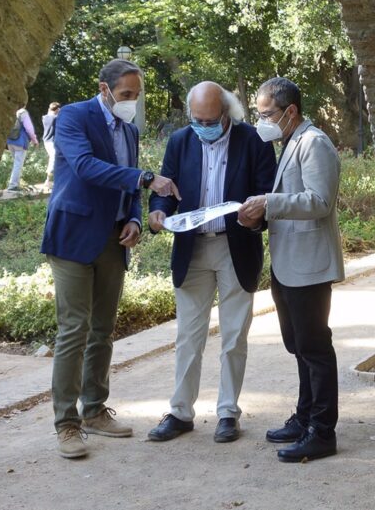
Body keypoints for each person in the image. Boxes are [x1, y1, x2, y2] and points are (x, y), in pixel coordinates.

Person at [40, 58, 181, 459]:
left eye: (136, 96)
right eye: (125, 95)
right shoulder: (73, 117)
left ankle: (95, 410)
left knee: (103, 330)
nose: (131, 102)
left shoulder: (130, 129)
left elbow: (127, 179)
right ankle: (66, 424)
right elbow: (84, 167)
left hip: (114, 238)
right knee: (74, 330)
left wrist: (134, 218)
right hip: (72, 236)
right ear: (104, 88)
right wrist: (145, 178)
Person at [146, 82, 277, 444]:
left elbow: (268, 193)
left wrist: (256, 217)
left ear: (226, 114)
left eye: (210, 119)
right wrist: (158, 214)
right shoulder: (180, 141)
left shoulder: (254, 140)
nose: (203, 125)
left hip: (235, 246)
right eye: (197, 118)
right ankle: (180, 412)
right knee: (188, 335)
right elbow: (165, 193)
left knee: (233, 336)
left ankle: (227, 413)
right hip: (192, 250)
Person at [238, 77, 345, 462]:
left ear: (291, 112)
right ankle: (304, 418)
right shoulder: (291, 141)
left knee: (315, 348)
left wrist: (269, 202)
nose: (261, 121)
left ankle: (322, 431)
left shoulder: (313, 143)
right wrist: (259, 216)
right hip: (289, 264)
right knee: (299, 347)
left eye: (267, 114)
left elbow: (319, 201)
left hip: (309, 266)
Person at [6, 105, 38, 191]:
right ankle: (13, 185)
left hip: (10, 141)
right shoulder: (23, 112)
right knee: (18, 164)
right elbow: (29, 128)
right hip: (20, 141)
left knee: (16, 163)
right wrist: (34, 140)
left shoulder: (9, 110)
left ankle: (13, 184)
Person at [42, 102, 61, 190]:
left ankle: (51, 181)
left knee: (54, 159)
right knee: (53, 159)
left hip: (46, 141)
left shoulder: (45, 117)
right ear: (57, 109)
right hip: (52, 142)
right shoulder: (55, 118)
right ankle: (48, 181)